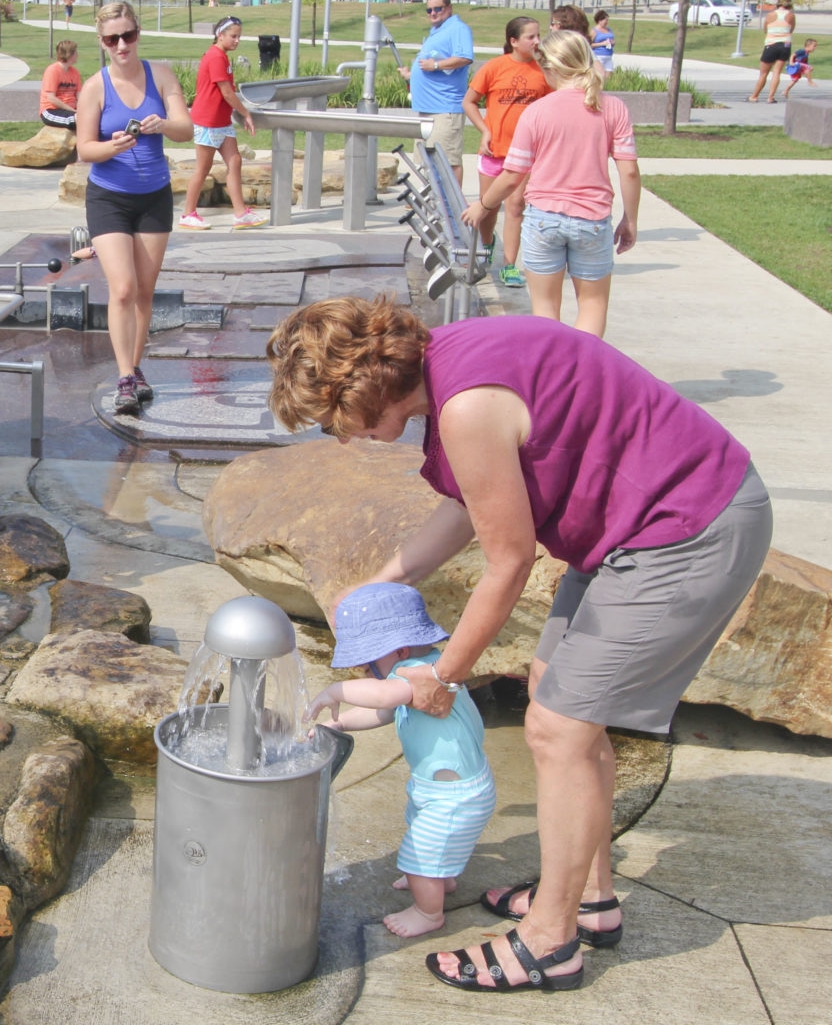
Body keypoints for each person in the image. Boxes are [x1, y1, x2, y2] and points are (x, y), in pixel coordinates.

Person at [265, 299, 773, 994]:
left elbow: (509, 560)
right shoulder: (452, 360)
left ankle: (549, 942)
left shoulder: (467, 407)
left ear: (364, 387)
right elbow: (470, 505)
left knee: (558, 727)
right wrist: (389, 577)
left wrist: (440, 675)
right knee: (553, 690)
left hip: (687, 526)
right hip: (635, 529)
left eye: (334, 419)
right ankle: (588, 901)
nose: (341, 436)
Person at [307, 583, 495, 940]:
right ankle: (441, 878)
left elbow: (384, 693)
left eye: (368, 661)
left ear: (398, 651)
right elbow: (383, 711)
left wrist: (336, 691)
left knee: (419, 854)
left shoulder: (419, 673)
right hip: (441, 789)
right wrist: (343, 721)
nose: (365, 670)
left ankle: (428, 911)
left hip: (455, 797)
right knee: (426, 835)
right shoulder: (418, 677)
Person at [460, 30, 638, 338]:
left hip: (544, 220)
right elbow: (630, 172)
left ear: (550, 67)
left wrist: (483, 205)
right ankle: (583, 376)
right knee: (593, 306)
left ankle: (552, 380)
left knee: (545, 311)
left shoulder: (536, 112)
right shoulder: (613, 107)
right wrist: (630, 220)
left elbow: (512, 174)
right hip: (592, 220)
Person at [75, 1, 193, 416]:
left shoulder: (160, 75)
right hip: (108, 197)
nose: (122, 44)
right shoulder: (95, 87)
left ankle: (136, 368)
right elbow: (84, 148)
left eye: (128, 35)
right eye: (112, 39)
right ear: (102, 43)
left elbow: (186, 128)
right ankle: (124, 376)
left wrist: (161, 124)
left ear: (138, 34)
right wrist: (113, 147)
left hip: (154, 195)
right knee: (122, 287)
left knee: (145, 291)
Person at [461, 16, 550, 290]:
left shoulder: (544, 73)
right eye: (530, 37)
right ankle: (487, 245)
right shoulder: (494, 68)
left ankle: (509, 265)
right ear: (513, 41)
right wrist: (485, 130)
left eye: (538, 36)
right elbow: (469, 102)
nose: (537, 41)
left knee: (516, 207)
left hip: (523, 156)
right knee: (488, 208)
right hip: (493, 151)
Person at [178, 15, 263, 230]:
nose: (237, 40)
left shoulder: (223, 57)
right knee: (203, 168)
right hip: (207, 121)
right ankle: (187, 214)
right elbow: (226, 91)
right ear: (220, 35)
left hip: (222, 122)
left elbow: (227, 92)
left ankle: (240, 212)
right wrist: (246, 113)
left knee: (234, 161)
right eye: (233, 36)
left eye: (239, 37)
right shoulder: (215, 57)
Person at [399, 0, 474, 182]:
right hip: (426, 109)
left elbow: (465, 58)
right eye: (429, 10)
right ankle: (432, 202)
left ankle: (452, 207)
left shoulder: (458, 28)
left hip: (445, 109)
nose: (433, 13)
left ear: (449, 8)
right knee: (427, 160)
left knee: (448, 161)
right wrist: (412, 75)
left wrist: (436, 65)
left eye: (438, 8)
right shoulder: (437, 32)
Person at [749, 0, 795, 102]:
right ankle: (770, 97)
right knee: (777, 72)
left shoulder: (770, 15)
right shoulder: (791, 15)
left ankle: (754, 95)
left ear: (778, 2)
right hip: (785, 45)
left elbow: (765, 29)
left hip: (771, 44)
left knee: (763, 73)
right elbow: (791, 29)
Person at [39, 39, 83, 129]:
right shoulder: (52, 71)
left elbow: (79, 96)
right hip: (52, 110)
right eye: (75, 53)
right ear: (69, 54)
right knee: (78, 120)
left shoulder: (75, 72)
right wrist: (73, 110)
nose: (77, 55)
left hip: (71, 110)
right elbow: (51, 98)